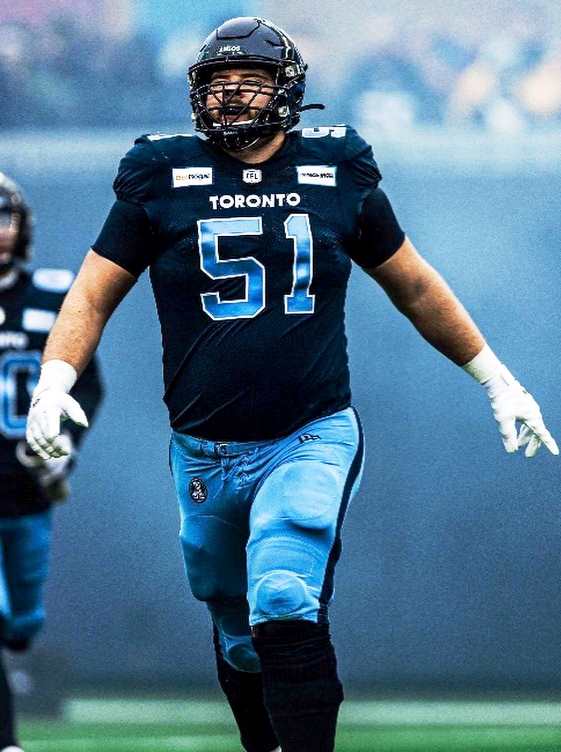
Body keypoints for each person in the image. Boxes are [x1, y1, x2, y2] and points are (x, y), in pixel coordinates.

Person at [25, 17, 557, 752]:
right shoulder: (160, 173)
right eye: (218, 82)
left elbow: (414, 286)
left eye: (249, 81)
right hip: (203, 446)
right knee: (237, 627)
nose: (231, 96)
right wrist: (54, 382)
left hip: (308, 432)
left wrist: (497, 380)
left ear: (287, 91)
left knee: (282, 594)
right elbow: (91, 294)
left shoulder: (335, 169)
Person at [0, 172, 103, 752]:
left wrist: (63, 448)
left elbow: (88, 384)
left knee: (21, 624)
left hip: (28, 488)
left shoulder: (51, 293)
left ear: (23, 225)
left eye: (5, 216)